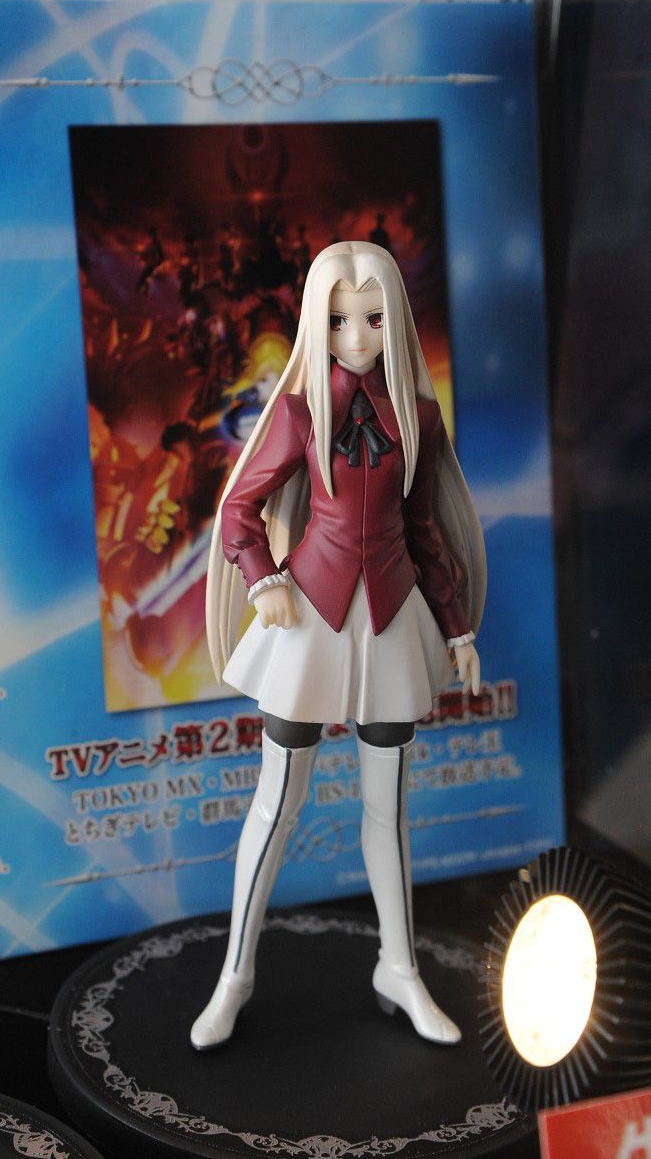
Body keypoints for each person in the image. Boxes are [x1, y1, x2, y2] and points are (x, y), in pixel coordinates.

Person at [194, 241, 486, 1050]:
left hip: (391, 618)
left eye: (373, 318)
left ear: (396, 319)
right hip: (309, 622)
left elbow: (426, 529)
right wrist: (263, 579)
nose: (356, 336)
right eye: (338, 319)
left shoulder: (417, 417)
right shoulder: (299, 413)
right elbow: (238, 511)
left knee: (387, 809)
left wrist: (456, 624)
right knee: (277, 801)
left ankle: (400, 967)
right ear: (314, 324)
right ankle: (235, 976)